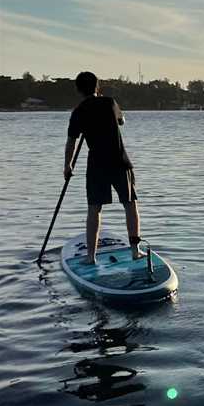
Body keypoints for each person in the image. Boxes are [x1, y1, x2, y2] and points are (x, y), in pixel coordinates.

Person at [64, 71, 144, 264]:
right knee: (130, 204)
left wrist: (67, 166)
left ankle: (91, 257)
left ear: (78, 90)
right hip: (119, 161)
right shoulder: (110, 102)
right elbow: (122, 121)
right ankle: (135, 250)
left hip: (97, 165)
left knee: (94, 209)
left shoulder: (79, 111)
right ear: (97, 87)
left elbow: (71, 142)